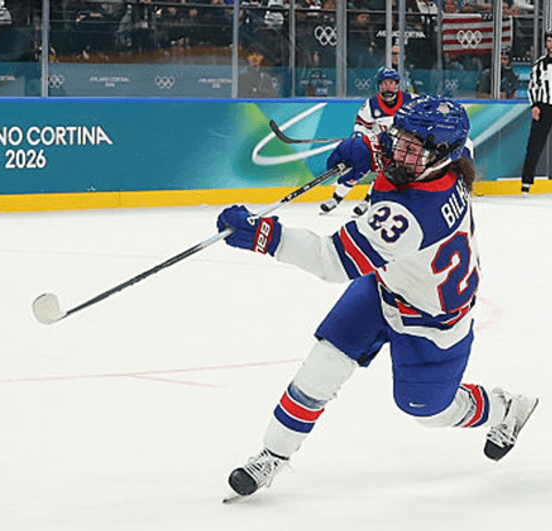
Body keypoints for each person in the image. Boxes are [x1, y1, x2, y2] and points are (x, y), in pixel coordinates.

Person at [215, 96, 538, 501]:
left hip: (433, 322)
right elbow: (402, 147)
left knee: (430, 411)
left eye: (411, 149)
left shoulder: (413, 216)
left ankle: (507, 408)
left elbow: (331, 261)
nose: (400, 153)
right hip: (385, 285)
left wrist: (265, 236)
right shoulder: (454, 158)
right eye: (400, 140)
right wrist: (372, 147)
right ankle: (272, 455)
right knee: (320, 368)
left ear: (441, 156)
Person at [319, 67, 412, 216]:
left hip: (401, 149)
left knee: (385, 174)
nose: (389, 87)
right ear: (379, 85)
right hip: (378, 146)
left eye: (392, 83)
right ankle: (336, 199)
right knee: (356, 170)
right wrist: (361, 139)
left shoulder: (409, 100)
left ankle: (367, 201)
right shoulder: (372, 104)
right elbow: (361, 125)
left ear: (398, 85)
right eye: (385, 83)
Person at [520, 33, 552, 194]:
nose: (551, 43)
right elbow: (532, 87)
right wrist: (534, 105)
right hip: (544, 107)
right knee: (534, 145)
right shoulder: (540, 64)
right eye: (549, 40)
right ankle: (526, 182)